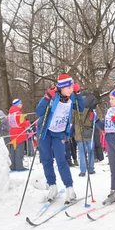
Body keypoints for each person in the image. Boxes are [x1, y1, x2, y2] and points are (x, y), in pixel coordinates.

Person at [36, 74, 84, 203]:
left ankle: (70, 189)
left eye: (72, 87)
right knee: (46, 160)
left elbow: (81, 108)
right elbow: (39, 112)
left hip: (60, 133)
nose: (71, 89)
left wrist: (78, 94)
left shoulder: (72, 97)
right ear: (61, 88)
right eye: (69, 87)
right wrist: (46, 97)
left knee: (61, 160)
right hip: (45, 132)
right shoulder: (53, 96)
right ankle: (52, 187)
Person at [72, 89, 98, 177]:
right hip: (89, 131)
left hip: (79, 133)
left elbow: (72, 119)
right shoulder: (92, 105)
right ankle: (91, 168)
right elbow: (97, 117)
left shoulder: (76, 106)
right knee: (91, 151)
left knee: (82, 152)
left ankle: (83, 170)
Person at [8, 99, 30, 171]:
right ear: (18, 104)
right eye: (20, 103)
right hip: (20, 134)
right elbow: (22, 123)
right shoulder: (19, 113)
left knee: (13, 151)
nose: (21, 105)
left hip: (12, 133)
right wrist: (28, 122)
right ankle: (19, 166)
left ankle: (13, 166)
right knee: (19, 151)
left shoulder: (10, 113)